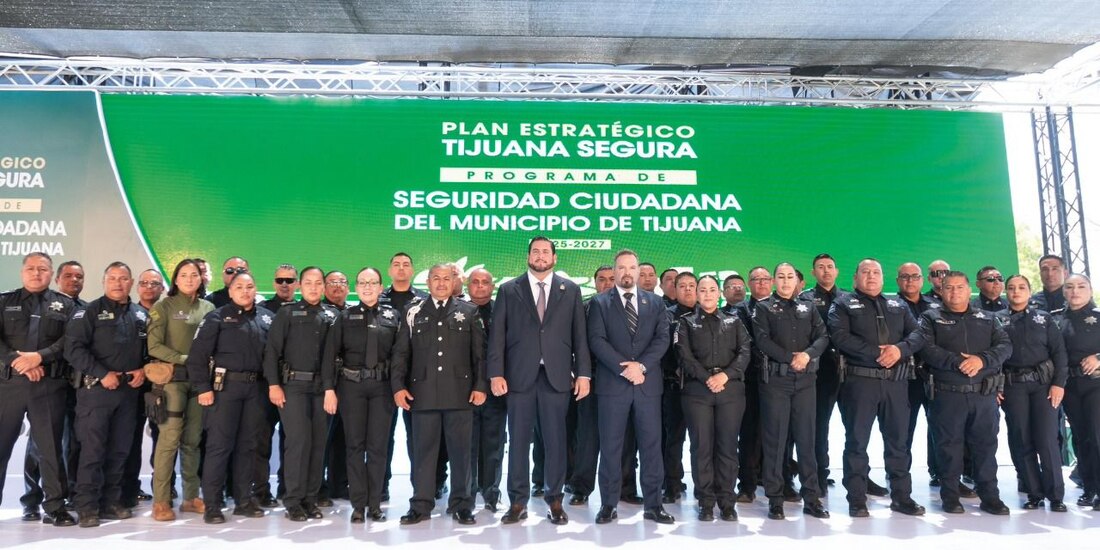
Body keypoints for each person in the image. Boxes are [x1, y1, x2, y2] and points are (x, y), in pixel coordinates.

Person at [489, 237, 591, 525]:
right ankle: (517, 502)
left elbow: (579, 336)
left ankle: (555, 500)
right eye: (536, 251)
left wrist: (583, 373)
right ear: (528, 256)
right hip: (518, 378)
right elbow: (497, 335)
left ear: (555, 258)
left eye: (546, 252)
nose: (541, 256)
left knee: (556, 442)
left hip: (557, 378)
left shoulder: (570, 290)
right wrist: (496, 373)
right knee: (518, 442)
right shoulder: (509, 289)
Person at [828, 258, 926, 518]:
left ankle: (902, 497)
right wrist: (877, 353)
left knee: (898, 443)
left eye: (876, 272)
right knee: (857, 442)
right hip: (861, 383)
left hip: (896, 384)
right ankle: (857, 499)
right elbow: (839, 336)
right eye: (865, 272)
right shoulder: (842, 304)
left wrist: (899, 350)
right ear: (855, 278)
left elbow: (918, 334)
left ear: (883, 278)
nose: (871, 276)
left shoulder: (898, 304)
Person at [391, 263, 488, 526]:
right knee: (423, 454)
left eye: (447, 278)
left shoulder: (468, 311)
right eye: (436, 278)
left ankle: (462, 505)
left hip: (460, 395)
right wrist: (398, 386)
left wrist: (480, 386)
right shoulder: (413, 311)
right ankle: (420, 505)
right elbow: (401, 353)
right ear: (428, 282)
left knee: (461, 454)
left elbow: (480, 355)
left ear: (454, 281)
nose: (442, 283)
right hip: (422, 394)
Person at [587, 249, 673, 525]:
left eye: (631, 268)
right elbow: (597, 340)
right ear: (615, 271)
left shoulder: (655, 302)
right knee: (611, 447)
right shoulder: (599, 303)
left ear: (638, 271)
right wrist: (625, 368)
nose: (627, 272)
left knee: (651, 446)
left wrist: (642, 367)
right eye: (621, 268)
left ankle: (654, 505)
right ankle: (608, 504)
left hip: (647, 385)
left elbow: (662, 339)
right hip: (613, 385)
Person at [917, 270, 1012, 515]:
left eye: (960, 287)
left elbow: (1005, 346)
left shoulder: (988, 318)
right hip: (947, 395)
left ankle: (990, 497)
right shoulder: (930, 317)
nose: (954, 292)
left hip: (983, 396)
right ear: (941, 290)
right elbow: (926, 348)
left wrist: (981, 360)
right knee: (948, 448)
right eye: (949, 287)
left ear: (969, 290)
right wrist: (959, 362)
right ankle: (950, 497)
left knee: (985, 447)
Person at [65, 262, 147, 528]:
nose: (118, 283)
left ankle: (111, 502)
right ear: (103, 282)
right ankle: (87, 506)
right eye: (112, 278)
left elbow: (149, 351)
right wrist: (102, 373)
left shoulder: (140, 315)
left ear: (131, 282)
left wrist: (143, 370)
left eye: (123, 278)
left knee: (119, 450)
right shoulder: (88, 312)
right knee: (92, 451)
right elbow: (73, 350)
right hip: (96, 392)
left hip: (128, 394)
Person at [187, 272, 273, 523]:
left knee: (248, 447)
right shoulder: (216, 317)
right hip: (225, 390)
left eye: (250, 286)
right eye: (239, 287)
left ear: (256, 289)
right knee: (219, 447)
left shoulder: (267, 318)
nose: (245, 291)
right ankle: (213, 505)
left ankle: (244, 501)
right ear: (231, 291)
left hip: (256, 390)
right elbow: (197, 356)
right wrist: (203, 388)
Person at [0, 253, 77, 526]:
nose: (36, 273)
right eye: (31, 268)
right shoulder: (4, 301)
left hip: (48, 385)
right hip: (9, 385)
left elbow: (70, 340)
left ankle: (55, 507)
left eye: (42, 269)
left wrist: (39, 357)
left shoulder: (66, 305)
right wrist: (19, 361)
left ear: (51, 274)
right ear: (22, 272)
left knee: (50, 450)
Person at [321, 267, 400, 523]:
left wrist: (399, 388)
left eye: (373, 282)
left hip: (382, 388)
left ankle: (374, 504)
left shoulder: (393, 316)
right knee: (354, 446)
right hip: (351, 387)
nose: (368, 287)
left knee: (378, 447)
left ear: (380, 287)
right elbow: (330, 355)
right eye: (363, 282)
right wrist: (329, 390)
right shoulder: (344, 317)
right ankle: (357, 505)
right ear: (356, 287)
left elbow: (401, 356)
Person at [753, 263, 830, 520]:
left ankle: (812, 498)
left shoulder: (808, 307)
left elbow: (823, 336)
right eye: (781, 277)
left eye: (790, 277)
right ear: (774, 281)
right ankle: (775, 499)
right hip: (776, 381)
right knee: (775, 441)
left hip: (806, 381)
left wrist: (806, 355)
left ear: (797, 281)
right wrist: (790, 358)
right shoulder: (763, 307)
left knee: (807, 439)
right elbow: (762, 340)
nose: (786, 281)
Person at [264, 266, 338, 521]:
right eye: (308, 283)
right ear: (299, 286)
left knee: (318, 444)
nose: (314, 287)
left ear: (324, 286)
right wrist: (274, 384)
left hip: (322, 389)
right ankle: (293, 500)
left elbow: (334, 356)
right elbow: (272, 351)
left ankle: (310, 498)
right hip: (293, 387)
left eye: (318, 283)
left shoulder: (332, 315)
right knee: (298, 442)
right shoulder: (287, 313)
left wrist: (330, 389)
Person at [677, 275, 750, 521]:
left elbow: (745, 352)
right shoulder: (686, 323)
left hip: (730, 390)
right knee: (701, 447)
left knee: (727, 447)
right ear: (697, 294)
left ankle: (727, 502)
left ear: (718, 293)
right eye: (702, 290)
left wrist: (725, 376)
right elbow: (684, 356)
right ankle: (706, 502)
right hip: (698, 391)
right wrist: (707, 377)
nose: (707, 294)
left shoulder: (734, 321)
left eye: (711, 290)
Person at [146, 259, 215, 521]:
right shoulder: (163, 307)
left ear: (201, 279)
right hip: (172, 381)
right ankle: (161, 501)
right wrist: (187, 360)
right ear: (175, 279)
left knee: (193, 440)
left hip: (199, 383)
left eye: (194, 274)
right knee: (169, 439)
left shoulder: (208, 308)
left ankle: (190, 497)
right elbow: (154, 346)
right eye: (184, 275)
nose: (189, 279)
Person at [996, 274, 1068, 511]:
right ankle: (1033, 493)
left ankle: (1056, 495)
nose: (1016, 291)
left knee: (1047, 439)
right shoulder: (996, 320)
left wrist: (1059, 384)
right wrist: (995, 386)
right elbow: (992, 356)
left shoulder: (1043, 318)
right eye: (1011, 288)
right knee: (1021, 439)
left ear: (1029, 291)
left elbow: (1059, 353)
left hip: (1043, 386)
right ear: (1006, 292)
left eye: (1021, 287)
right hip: (1012, 386)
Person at [22, 259, 85, 516]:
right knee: (39, 445)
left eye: (79, 276)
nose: (74, 280)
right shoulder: (41, 305)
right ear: (57, 279)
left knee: (72, 444)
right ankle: (31, 499)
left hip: (76, 387)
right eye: (68, 275)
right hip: (44, 381)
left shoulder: (87, 309)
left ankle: (67, 496)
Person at [379, 252, 431, 502]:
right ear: (390, 270)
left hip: (415, 378)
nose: (401, 268)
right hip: (381, 377)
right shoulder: (378, 298)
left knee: (418, 437)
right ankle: (380, 486)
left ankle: (422, 489)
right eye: (396, 264)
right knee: (382, 436)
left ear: (412, 270)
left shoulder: (424, 300)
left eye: (406, 265)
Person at [798, 253, 847, 495]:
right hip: (821, 370)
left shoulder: (849, 297)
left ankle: (859, 476)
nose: (826, 271)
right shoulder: (804, 299)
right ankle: (818, 474)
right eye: (820, 267)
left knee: (857, 428)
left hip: (851, 370)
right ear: (813, 272)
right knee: (819, 425)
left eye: (830, 266)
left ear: (836, 271)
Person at [568, 265, 614, 506]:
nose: (607, 284)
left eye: (612, 279)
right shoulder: (583, 307)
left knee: (624, 438)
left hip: (620, 379)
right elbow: (571, 342)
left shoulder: (630, 306)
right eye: (602, 279)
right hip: (590, 378)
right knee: (587, 436)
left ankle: (626, 486)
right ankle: (580, 487)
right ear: (595, 283)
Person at [894, 263, 943, 487]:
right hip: (905, 376)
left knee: (940, 427)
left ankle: (940, 473)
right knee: (903, 429)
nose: (910, 281)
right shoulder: (890, 305)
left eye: (915, 276)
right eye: (905, 277)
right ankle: (900, 476)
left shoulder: (936, 305)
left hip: (933, 374)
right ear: (897, 280)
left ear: (923, 280)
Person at [255, 263, 298, 506]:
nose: (284, 284)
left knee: (291, 440)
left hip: (293, 385)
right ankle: (261, 490)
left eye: (289, 280)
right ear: (273, 283)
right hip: (266, 385)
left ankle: (287, 487)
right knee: (262, 439)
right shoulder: (262, 310)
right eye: (280, 280)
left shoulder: (303, 309)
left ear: (297, 284)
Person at [466, 268, 507, 512]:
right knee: (466, 445)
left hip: (496, 390)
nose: (480, 286)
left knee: (494, 443)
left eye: (485, 282)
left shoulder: (503, 311)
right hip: (465, 390)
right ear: (467, 285)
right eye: (475, 282)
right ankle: (467, 494)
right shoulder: (458, 311)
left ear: (493, 286)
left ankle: (491, 493)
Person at [1058, 274, 1100, 510]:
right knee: (1080, 438)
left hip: (1095, 384)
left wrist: (1098, 358)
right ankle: (1089, 488)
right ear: (1064, 291)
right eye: (1070, 287)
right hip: (1070, 386)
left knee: (1096, 435)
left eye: (1081, 286)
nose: (1075, 291)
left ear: (1090, 290)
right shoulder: (1056, 319)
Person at [734, 265, 771, 503]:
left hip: (778, 379)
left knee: (778, 433)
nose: (761, 283)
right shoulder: (739, 310)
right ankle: (747, 485)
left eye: (765, 279)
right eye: (756, 279)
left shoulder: (780, 306)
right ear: (749, 284)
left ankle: (777, 481)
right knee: (749, 433)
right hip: (749, 380)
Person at [659, 272, 696, 503]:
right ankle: (671, 484)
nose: (688, 289)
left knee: (703, 440)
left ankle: (705, 485)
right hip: (673, 385)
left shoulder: (708, 312)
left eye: (692, 285)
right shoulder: (666, 315)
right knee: (673, 438)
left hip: (701, 386)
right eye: (682, 286)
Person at [320, 270, 350, 503]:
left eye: (342, 282)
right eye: (332, 282)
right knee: (322, 439)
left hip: (349, 385)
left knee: (344, 438)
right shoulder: (318, 312)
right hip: (323, 385)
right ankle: (318, 487)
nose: (337, 286)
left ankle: (340, 485)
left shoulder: (352, 313)